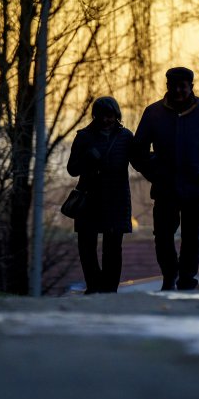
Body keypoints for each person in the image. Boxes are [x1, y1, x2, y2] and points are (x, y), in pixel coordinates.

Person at [132, 67, 199, 291]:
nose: (177, 90)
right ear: (167, 86)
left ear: (190, 87)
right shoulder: (153, 112)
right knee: (163, 236)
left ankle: (186, 281)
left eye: (182, 86)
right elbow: (137, 151)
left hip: (196, 188)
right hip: (165, 188)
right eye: (173, 86)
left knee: (192, 239)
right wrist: (154, 173)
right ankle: (169, 276)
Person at [66, 96, 133, 294]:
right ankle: (94, 287)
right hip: (90, 199)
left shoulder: (126, 137)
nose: (105, 120)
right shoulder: (83, 137)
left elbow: (140, 161)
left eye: (109, 115)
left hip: (117, 199)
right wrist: (88, 158)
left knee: (113, 248)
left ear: (116, 115)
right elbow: (72, 169)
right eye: (102, 115)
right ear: (95, 116)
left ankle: (109, 290)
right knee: (87, 246)